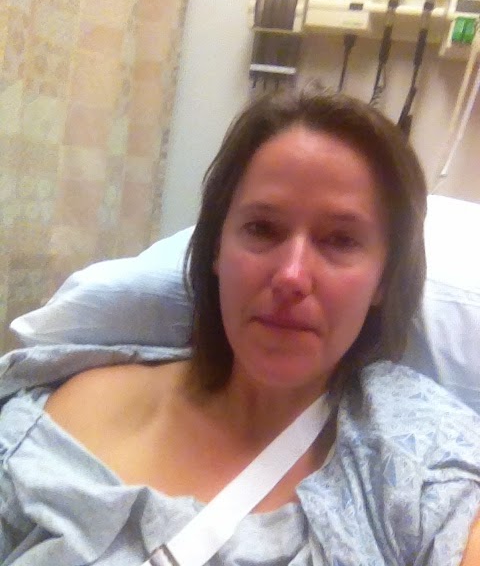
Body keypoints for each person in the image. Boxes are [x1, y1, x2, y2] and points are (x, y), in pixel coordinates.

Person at [0, 84, 479, 565]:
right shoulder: (69, 411)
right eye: (263, 229)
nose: (291, 276)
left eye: (339, 240)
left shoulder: (420, 461)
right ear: (216, 249)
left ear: (384, 279)